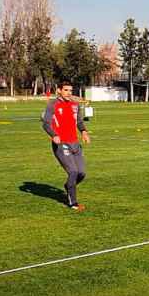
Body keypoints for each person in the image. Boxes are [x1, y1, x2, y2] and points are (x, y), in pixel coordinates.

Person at [42, 82, 91, 211]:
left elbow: (79, 121)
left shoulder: (75, 105)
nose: (69, 92)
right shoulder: (52, 104)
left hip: (75, 144)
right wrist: (53, 135)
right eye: (66, 90)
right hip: (61, 144)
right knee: (73, 171)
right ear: (59, 91)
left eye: (70, 90)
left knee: (81, 173)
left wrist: (84, 132)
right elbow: (46, 124)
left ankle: (69, 185)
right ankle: (73, 203)